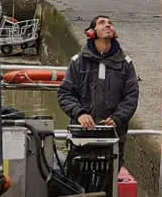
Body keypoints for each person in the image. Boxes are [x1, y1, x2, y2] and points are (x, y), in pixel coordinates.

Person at [57, 14, 140, 166]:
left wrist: (117, 118)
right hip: (82, 134)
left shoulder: (125, 63)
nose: (108, 25)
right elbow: (65, 93)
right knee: (79, 178)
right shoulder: (78, 62)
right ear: (91, 32)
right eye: (102, 23)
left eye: (110, 23)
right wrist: (80, 113)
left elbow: (131, 96)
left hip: (113, 135)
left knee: (110, 180)